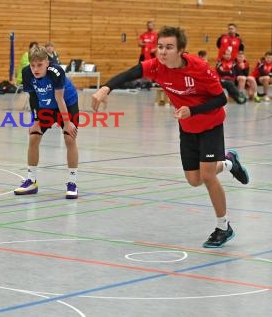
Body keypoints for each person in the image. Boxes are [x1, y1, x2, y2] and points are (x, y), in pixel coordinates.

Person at [92, 26, 249, 248]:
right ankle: (228, 161)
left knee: (207, 175)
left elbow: (221, 100)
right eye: (160, 47)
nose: (163, 52)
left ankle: (223, 227)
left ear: (181, 50)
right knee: (194, 180)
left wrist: (192, 110)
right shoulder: (156, 67)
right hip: (187, 127)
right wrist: (105, 89)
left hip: (210, 123)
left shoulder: (199, 68)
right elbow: (130, 73)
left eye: (169, 47)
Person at [14, 45, 80, 200]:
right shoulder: (27, 73)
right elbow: (33, 98)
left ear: (47, 63)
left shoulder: (56, 72)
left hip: (66, 104)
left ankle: (72, 183)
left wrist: (68, 123)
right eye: (33, 65)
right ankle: (31, 181)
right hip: (45, 106)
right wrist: (36, 120)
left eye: (40, 65)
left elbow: (59, 98)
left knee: (69, 138)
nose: (36, 69)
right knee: (34, 136)